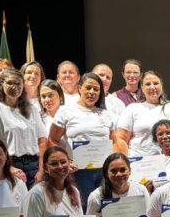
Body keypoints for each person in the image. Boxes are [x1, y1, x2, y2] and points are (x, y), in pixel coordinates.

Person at [49, 73, 121, 205]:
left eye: (96, 89)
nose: (92, 92)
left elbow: (114, 142)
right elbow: (53, 140)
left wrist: (113, 164)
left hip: (103, 172)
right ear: (80, 88)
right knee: (83, 208)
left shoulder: (105, 114)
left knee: (104, 208)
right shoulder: (66, 111)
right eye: (88, 88)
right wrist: (66, 162)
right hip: (78, 172)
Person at [0, 68, 47, 188]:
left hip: (34, 166)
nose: (14, 86)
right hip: (8, 166)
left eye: (18, 83)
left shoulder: (32, 109)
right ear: (1, 85)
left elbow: (42, 141)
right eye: (10, 83)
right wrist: (8, 167)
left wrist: (42, 170)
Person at [21, 146, 86, 217]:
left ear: (69, 164)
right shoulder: (37, 193)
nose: (60, 166)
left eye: (63, 162)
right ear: (46, 168)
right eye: (54, 163)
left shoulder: (74, 191)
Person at [117, 70, 170, 156]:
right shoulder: (132, 108)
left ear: (161, 85)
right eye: (148, 84)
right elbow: (121, 138)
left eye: (156, 83)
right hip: (141, 162)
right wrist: (126, 161)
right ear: (142, 88)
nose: (152, 87)